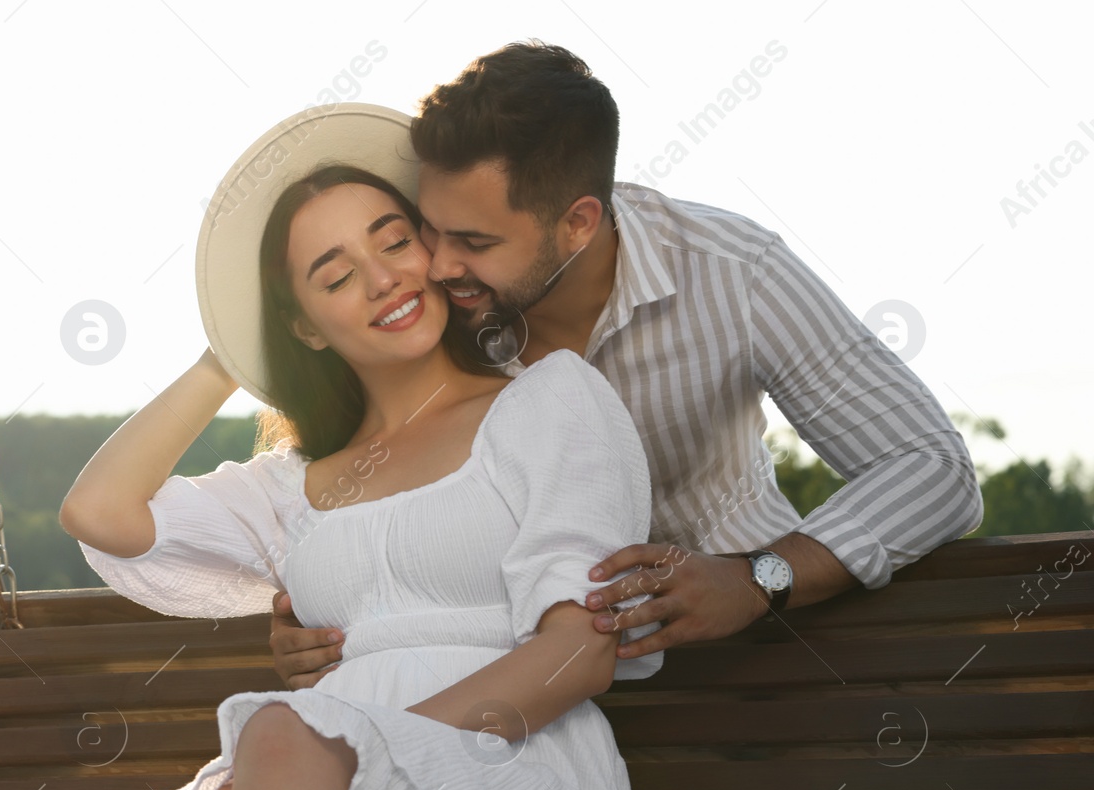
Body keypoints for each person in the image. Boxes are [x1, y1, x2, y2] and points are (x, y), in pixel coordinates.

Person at [0, 104, 663, 790]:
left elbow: (581, 645)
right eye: (336, 275)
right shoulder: (293, 485)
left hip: (499, 758)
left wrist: (385, 750)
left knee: (280, 732)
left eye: (396, 241)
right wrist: (228, 352)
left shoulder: (546, 401)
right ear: (303, 325)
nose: (384, 276)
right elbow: (100, 511)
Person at [268, 41, 985, 690]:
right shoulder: (431, 313)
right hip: (520, 687)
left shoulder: (732, 273)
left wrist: (759, 576)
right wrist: (325, 613)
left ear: (578, 222)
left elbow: (931, 466)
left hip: (754, 668)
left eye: (475, 240)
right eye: (428, 228)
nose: (438, 263)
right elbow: (365, 470)